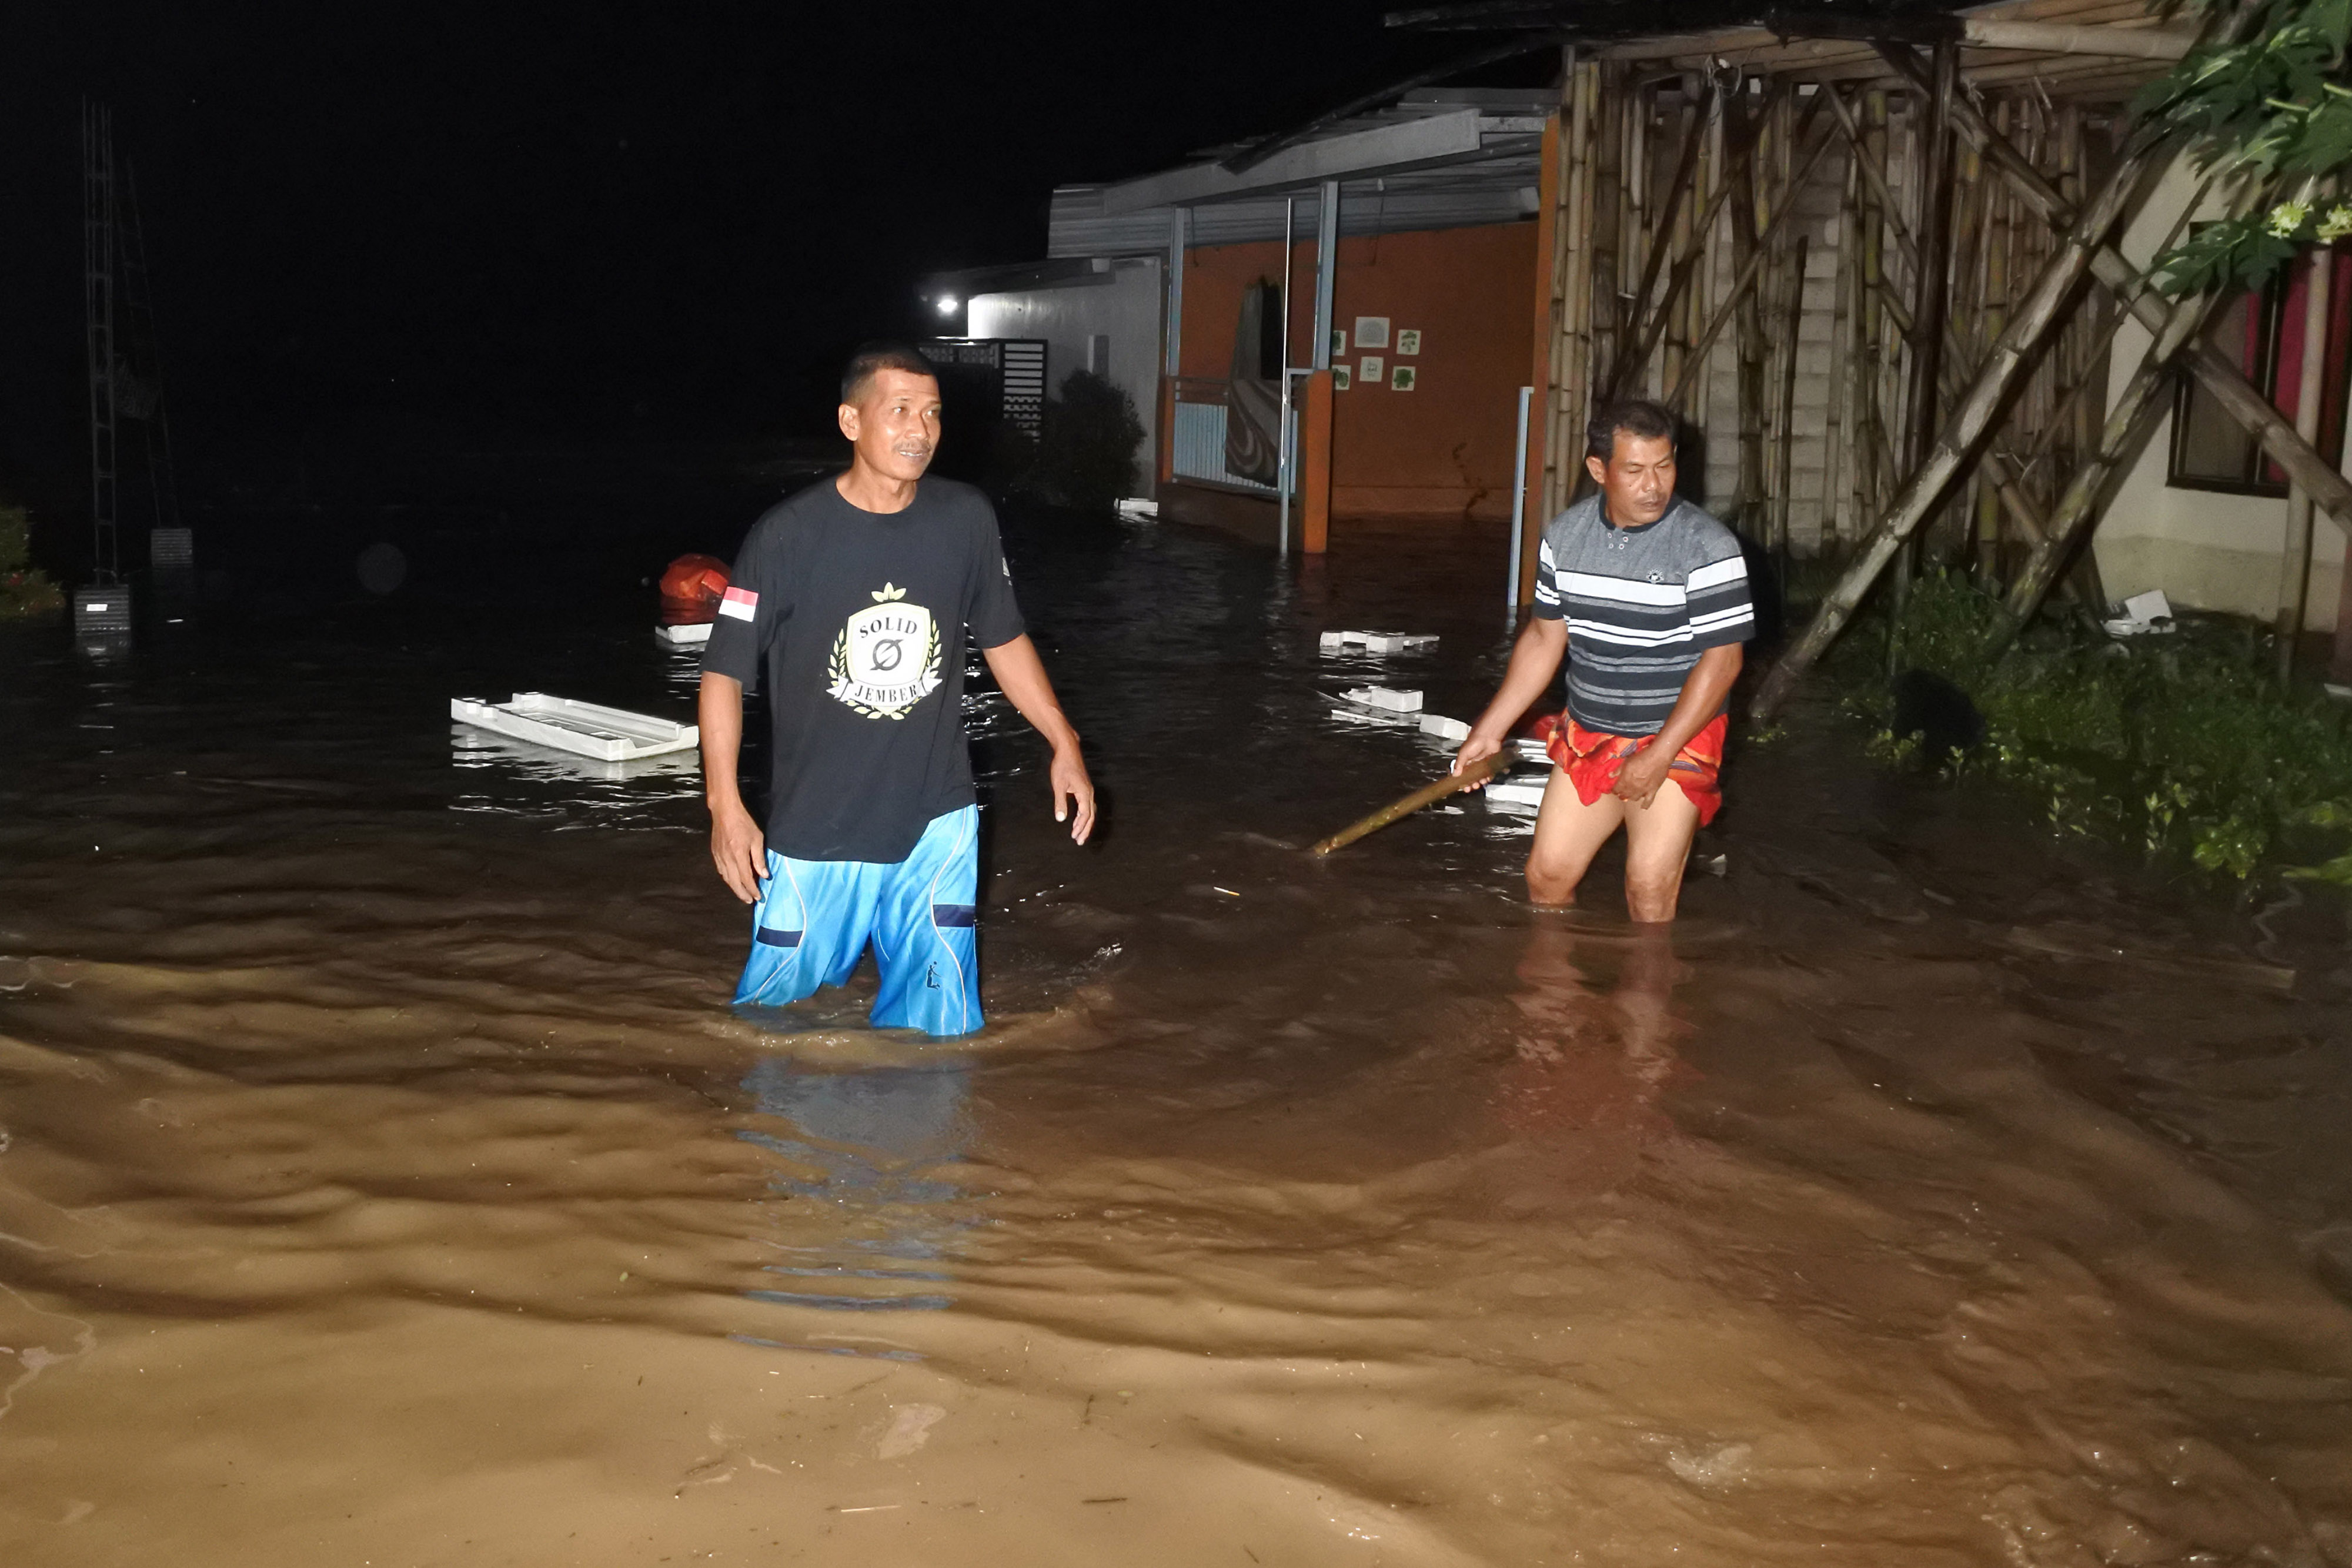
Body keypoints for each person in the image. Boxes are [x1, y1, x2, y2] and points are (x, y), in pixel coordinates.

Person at [698, 343, 1094, 1036]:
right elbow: (724, 673)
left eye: (933, 413)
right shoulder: (786, 536)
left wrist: (1063, 739)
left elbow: (1003, 639)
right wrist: (725, 804)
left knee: (941, 1034)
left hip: (937, 820)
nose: (920, 430)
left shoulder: (965, 519)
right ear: (852, 421)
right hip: (818, 827)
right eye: (900, 411)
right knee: (767, 1031)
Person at [1455, 398, 1753, 923]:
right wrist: (1491, 728)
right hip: (1591, 729)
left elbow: (1723, 662)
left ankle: (1647, 1001)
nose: (1654, 485)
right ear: (1599, 469)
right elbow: (1546, 638)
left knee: (1648, 890)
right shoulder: (1565, 538)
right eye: (1635, 470)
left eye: (1665, 465)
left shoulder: (1708, 546)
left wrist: (1659, 755)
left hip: (1677, 734)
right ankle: (1555, 999)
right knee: (1547, 877)